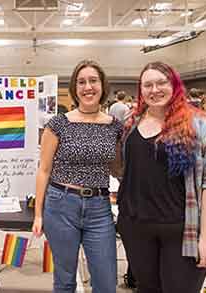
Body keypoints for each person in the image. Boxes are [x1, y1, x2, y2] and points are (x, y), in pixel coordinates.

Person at [117, 61, 206, 293]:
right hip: (137, 227)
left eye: (162, 83)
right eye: (148, 85)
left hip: (183, 230)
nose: (155, 90)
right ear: (140, 90)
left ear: (175, 85)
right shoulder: (132, 123)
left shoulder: (198, 124)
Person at [32, 60, 122, 293]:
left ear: (102, 86)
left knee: (106, 282)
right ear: (74, 88)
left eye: (93, 81)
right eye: (81, 82)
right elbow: (44, 169)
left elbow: (119, 168)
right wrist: (38, 215)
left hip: (100, 208)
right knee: (64, 279)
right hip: (61, 205)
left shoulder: (115, 126)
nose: (88, 87)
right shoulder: (58, 124)